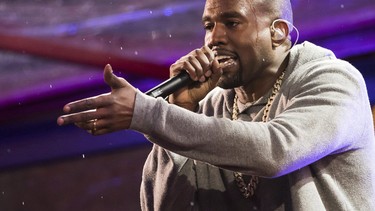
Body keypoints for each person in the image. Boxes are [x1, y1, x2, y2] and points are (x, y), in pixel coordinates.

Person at [57, 0, 375, 210]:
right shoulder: (207, 108)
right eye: (209, 26)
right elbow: (162, 205)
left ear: (277, 33)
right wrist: (180, 107)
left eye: (232, 22)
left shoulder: (332, 79)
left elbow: (276, 151)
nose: (213, 38)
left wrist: (149, 114)